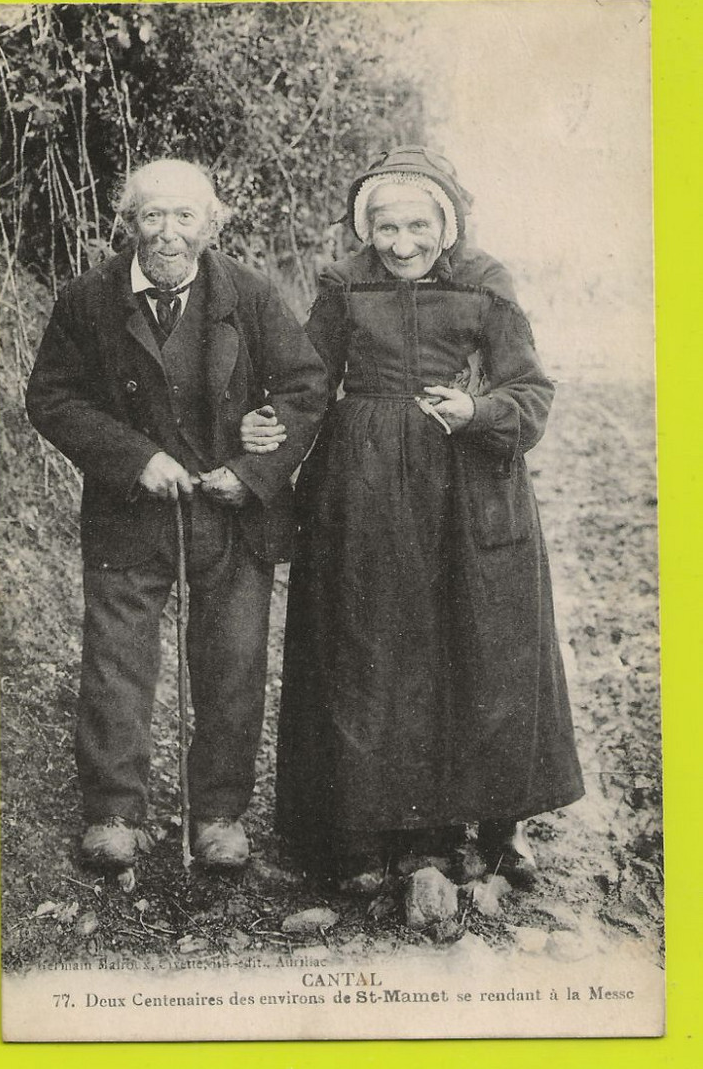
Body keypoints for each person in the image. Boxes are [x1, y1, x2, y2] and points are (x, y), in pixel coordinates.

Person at [242, 146, 584, 892]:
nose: (401, 245)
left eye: (417, 227)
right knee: (368, 648)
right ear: (367, 230)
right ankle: (369, 830)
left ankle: (497, 825)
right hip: (360, 492)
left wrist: (479, 410)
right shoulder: (343, 284)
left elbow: (531, 392)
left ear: (446, 224)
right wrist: (264, 445)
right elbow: (307, 384)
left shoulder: (486, 283)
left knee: (484, 646)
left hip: (467, 486)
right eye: (386, 228)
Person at [26, 158, 327, 874]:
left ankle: (218, 814)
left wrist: (251, 471)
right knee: (115, 660)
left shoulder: (250, 296)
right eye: (151, 216)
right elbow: (54, 397)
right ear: (128, 223)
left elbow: (306, 388)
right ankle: (113, 812)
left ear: (211, 223)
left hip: (231, 515)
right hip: (129, 512)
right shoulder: (87, 299)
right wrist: (134, 458)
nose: (167, 233)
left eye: (184, 216)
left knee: (232, 661)